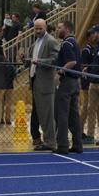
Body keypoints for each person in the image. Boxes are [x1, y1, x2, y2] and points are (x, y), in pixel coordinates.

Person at [25, 17, 60, 151]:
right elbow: (33, 60)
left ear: (45, 27)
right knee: (41, 113)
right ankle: (48, 140)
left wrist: (39, 61)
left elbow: (55, 59)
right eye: (36, 28)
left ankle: (51, 142)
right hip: (36, 81)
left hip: (46, 83)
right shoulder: (36, 43)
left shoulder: (51, 41)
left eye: (40, 28)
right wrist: (26, 60)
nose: (38, 31)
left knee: (47, 114)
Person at [53, 20, 84, 154]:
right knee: (73, 115)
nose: (57, 30)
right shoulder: (75, 43)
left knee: (62, 114)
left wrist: (60, 72)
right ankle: (78, 144)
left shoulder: (66, 43)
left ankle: (62, 145)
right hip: (75, 82)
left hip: (67, 82)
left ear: (66, 29)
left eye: (59, 28)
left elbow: (72, 61)